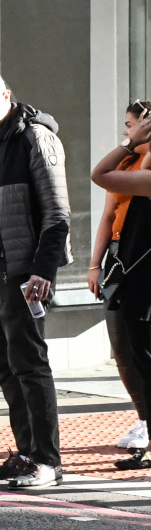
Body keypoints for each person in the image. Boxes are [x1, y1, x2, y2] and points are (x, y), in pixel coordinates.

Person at [0, 67, 72, 489]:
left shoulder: (34, 137)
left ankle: (47, 461)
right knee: (4, 365)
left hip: (20, 270)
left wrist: (43, 270)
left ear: (7, 95)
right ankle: (25, 452)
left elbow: (57, 214)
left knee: (29, 364)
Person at [91, 105, 151, 469]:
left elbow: (100, 174)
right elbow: (108, 207)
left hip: (142, 278)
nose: (128, 132)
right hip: (128, 270)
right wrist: (96, 263)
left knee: (144, 358)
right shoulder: (134, 169)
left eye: (137, 126)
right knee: (132, 356)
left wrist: (132, 143)